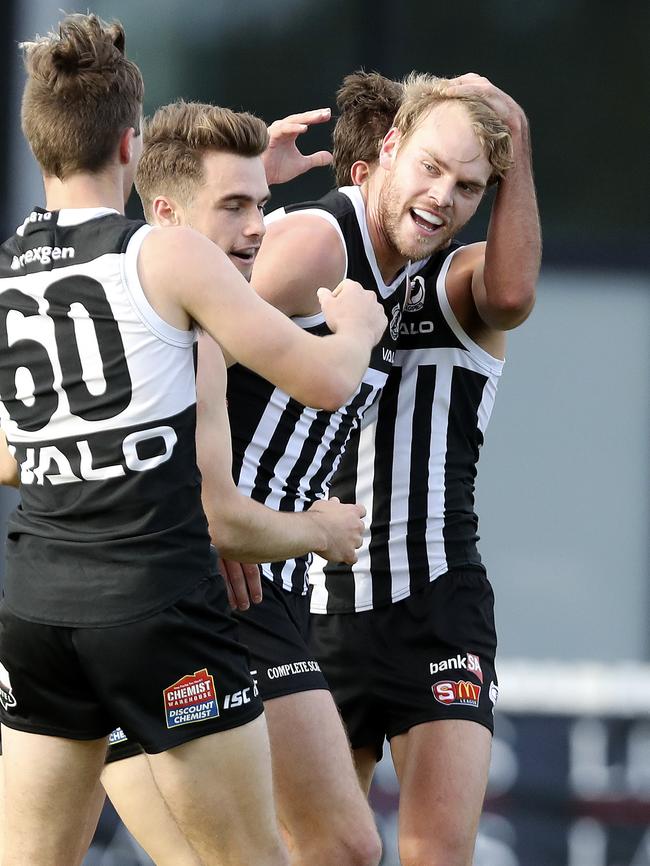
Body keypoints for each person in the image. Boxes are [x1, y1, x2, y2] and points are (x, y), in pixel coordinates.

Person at [0, 15, 385, 866]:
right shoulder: (166, 255)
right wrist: (355, 328)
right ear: (132, 146)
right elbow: (324, 380)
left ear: (37, 143)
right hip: (155, 608)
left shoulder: (9, 270)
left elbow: (11, 449)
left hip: (34, 610)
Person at [96, 99, 377, 866]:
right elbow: (321, 382)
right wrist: (322, 531)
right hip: (184, 611)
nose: (260, 228)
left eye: (264, 205)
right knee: (334, 848)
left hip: (69, 619)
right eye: (238, 206)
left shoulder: (118, 287)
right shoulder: (187, 323)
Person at [308, 70, 541, 866]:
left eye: (469, 183)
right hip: (321, 605)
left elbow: (511, 293)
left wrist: (517, 131)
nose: (441, 196)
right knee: (324, 854)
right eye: (430, 170)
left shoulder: (458, 279)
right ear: (380, 160)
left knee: (437, 855)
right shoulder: (324, 275)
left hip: (438, 599)